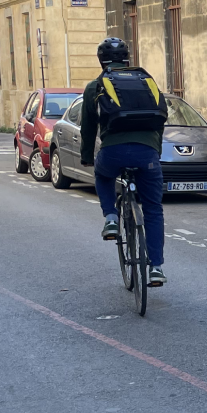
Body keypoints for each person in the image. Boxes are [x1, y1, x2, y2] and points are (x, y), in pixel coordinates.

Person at [80, 38, 169, 287]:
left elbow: (88, 128)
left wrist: (87, 157)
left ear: (101, 60)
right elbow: (160, 119)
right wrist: (155, 152)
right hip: (147, 154)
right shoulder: (146, 81)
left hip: (112, 152)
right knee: (153, 209)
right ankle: (156, 268)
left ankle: (110, 218)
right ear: (127, 58)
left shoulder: (95, 86)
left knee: (103, 174)